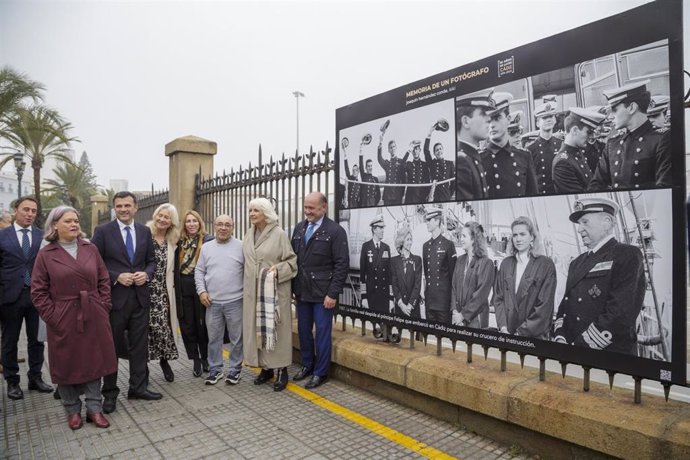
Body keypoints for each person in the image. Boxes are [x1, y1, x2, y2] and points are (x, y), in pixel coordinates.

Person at [31, 206, 116, 430]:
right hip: (63, 315)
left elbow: (103, 279)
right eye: (68, 221)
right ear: (55, 225)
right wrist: (54, 316)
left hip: (93, 313)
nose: (74, 224)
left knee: (94, 361)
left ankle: (94, 409)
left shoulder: (90, 248)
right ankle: (72, 410)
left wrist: (102, 305)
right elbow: (38, 292)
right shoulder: (46, 254)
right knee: (66, 363)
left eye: (76, 220)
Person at [92, 191, 160, 414]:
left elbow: (151, 260)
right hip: (114, 300)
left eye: (127, 205)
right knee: (110, 348)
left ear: (135, 207)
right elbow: (94, 263)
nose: (123, 209)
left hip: (140, 298)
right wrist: (115, 276)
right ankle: (109, 394)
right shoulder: (102, 232)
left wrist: (146, 274)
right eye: (119, 206)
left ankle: (138, 388)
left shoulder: (144, 231)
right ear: (114, 208)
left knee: (139, 347)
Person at [553, 197, 645, 355]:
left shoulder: (628, 255)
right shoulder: (577, 262)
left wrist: (579, 346)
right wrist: (560, 336)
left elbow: (620, 314)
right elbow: (566, 305)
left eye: (585, 222)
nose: (580, 229)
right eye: (579, 224)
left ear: (607, 222)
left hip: (609, 355)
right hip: (572, 347)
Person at [291, 192, 349, 389]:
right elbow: (294, 260)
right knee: (303, 331)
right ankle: (307, 365)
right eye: (305, 207)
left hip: (323, 294)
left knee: (322, 333)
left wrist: (333, 294)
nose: (307, 211)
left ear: (323, 208)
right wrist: (293, 288)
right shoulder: (299, 228)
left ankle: (320, 372)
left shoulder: (335, 231)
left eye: (312, 208)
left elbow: (341, 265)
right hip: (302, 291)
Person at [0, 196, 53, 401]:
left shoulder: (43, 237)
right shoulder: (3, 236)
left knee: (37, 340)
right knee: (9, 341)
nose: (30, 214)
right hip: (10, 296)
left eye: (33, 211)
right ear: (16, 210)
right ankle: (12, 382)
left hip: (37, 296)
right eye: (26, 210)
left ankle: (36, 378)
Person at [242, 198, 297, 392]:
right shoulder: (249, 234)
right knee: (258, 330)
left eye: (256, 210)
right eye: (250, 210)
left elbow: (292, 262)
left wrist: (278, 269)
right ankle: (266, 369)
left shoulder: (279, 234)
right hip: (252, 293)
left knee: (276, 331)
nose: (251, 214)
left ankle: (282, 369)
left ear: (266, 213)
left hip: (273, 293)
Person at [589, 81, 672, 191]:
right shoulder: (612, 143)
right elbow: (596, 184)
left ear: (632, 107)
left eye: (614, 110)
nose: (610, 116)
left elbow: (665, 187)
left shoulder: (663, 138)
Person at [195, 215, 244, 386]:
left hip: (236, 301)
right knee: (213, 338)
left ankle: (235, 371)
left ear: (233, 227)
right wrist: (201, 292)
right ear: (214, 226)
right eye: (220, 224)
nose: (223, 228)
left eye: (227, 225)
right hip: (212, 302)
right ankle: (215, 370)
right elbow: (199, 271)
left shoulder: (241, 246)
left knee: (236, 338)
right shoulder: (206, 247)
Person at [493, 216, 556, 339]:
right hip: (507, 333)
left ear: (532, 236)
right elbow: (498, 298)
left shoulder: (546, 265)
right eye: (515, 235)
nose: (518, 239)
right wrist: (503, 327)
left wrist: (520, 334)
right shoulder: (506, 264)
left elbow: (544, 308)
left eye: (522, 234)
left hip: (533, 337)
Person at [174, 210, 213, 377]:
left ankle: (205, 357)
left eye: (194, 221)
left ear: (199, 223)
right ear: (184, 224)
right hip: (183, 285)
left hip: (201, 285)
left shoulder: (208, 241)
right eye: (188, 221)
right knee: (187, 325)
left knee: (203, 324)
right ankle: (195, 358)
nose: (191, 224)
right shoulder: (178, 243)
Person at [481, 92, 539, 198]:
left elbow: (533, 193)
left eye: (497, 118)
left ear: (508, 119)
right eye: (488, 120)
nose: (492, 125)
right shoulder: (478, 160)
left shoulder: (524, 157)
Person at [146, 204, 180, 383]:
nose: (162, 219)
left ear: (171, 222)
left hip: (163, 290)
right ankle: (142, 368)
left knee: (162, 328)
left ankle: (164, 360)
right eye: (160, 215)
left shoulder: (172, 240)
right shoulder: (145, 234)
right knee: (143, 329)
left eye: (166, 217)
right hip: (144, 290)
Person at [451, 221, 494, 328]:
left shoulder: (486, 263)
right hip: (458, 318)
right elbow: (454, 288)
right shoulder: (460, 260)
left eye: (464, 236)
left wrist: (462, 315)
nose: (460, 239)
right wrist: (455, 312)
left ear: (474, 239)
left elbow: (480, 296)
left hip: (476, 321)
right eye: (461, 236)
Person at [552, 108, 606, 193]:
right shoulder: (562, 163)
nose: (590, 137)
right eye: (588, 132)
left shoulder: (577, 153)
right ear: (575, 130)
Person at [455, 89, 495, 200]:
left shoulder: (471, 157)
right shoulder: (462, 160)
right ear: (466, 121)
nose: (489, 119)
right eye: (482, 114)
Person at [422, 208, 456, 324]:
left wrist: (452, 304)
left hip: (443, 303)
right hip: (430, 302)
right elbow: (427, 274)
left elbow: (453, 277)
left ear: (437, 221)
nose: (426, 223)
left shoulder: (448, 245)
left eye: (429, 220)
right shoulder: (425, 246)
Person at [527, 101, 562, 195]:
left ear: (555, 120)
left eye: (551, 116)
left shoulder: (562, 145)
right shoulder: (530, 149)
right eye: (544, 117)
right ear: (537, 123)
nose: (549, 120)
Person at [359, 215, 392, 314]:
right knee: (373, 325)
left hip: (384, 296)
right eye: (381, 228)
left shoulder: (386, 248)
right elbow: (362, 274)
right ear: (374, 229)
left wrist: (391, 298)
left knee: (385, 324)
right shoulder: (366, 247)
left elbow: (389, 275)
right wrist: (364, 297)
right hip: (371, 295)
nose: (383, 230)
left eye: (383, 228)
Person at [390, 225, 422, 318]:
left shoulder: (417, 260)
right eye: (407, 239)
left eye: (411, 239)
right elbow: (394, 285)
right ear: (401, 241)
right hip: (400, 307)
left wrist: (410, 305)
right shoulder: (394, 261)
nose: (410, 242)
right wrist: (401, 305)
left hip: (413, 308)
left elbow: (417, 285)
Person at [377, 122, 409, 206]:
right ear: (388, 150)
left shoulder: (402, 161)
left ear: (396, 148)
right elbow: (379, 159)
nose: (392, 149)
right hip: (387, 196)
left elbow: (404, 179)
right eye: (390, 147)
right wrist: (380, 142)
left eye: (394, 146)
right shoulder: (387, 164)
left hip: (398, 195)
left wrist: (402, 193)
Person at [424, 120, 454, 201]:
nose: (439, 151)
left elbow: (453, 184)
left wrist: (449, 195)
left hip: (446, 196)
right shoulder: (432, 163)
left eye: (440, 149)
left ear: (443, 150)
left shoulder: (450, 164)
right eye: (437, 150)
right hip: (435, 196)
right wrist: (430, 133)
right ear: (434, 153)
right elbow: (426, 151)